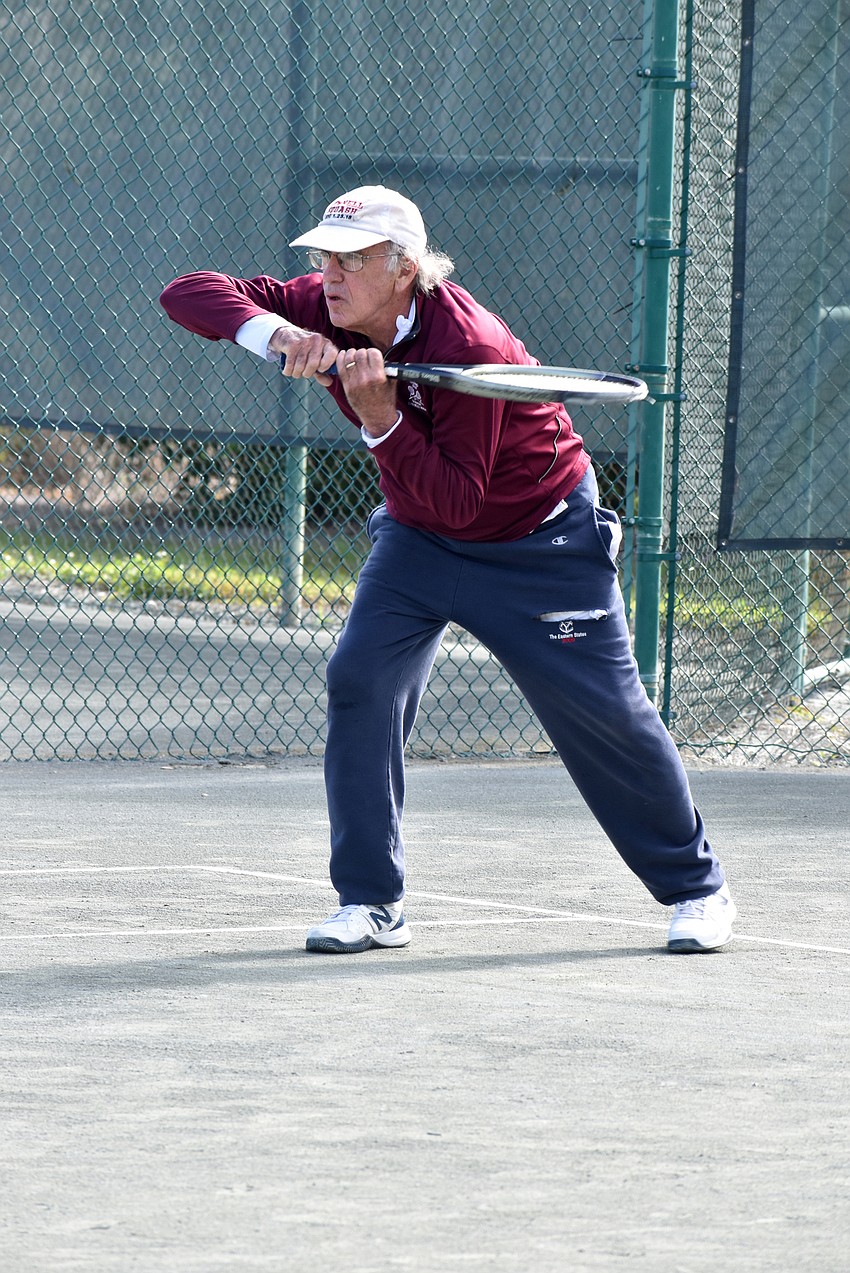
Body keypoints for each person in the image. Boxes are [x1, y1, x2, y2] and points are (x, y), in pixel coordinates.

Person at [160, 184, 737, 956]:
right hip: (416, 541)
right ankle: (372, 902)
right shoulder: (321, 307)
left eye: (352, 259)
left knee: (607, 716)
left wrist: (381, 419)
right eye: (324, 257)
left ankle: (698, 888)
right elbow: (188, 292)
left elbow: (460, 500)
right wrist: (273, 337)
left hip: (541, 544)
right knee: (360, 679)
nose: (330, 274)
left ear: (403, 269)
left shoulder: (472, 344)